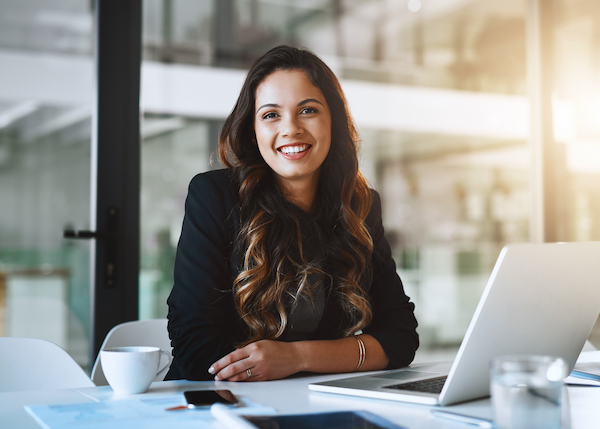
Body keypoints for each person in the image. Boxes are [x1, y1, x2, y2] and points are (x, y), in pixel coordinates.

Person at [166, 45, 418, 382]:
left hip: (316, 403)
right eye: (271, 115)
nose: (291, 129)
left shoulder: (360, 205)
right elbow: (196, 349)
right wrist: (341, 356)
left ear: (334, 121)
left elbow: (400, 337)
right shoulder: (214, 196)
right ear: (253, 132)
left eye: (308, 110)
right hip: (219, 406)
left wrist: (297, 357)